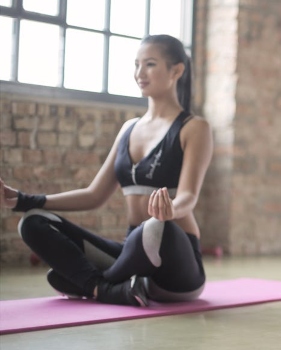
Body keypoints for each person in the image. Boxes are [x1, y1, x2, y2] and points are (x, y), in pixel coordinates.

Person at [0, 34, 212, 307]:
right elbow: (94, 195)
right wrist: (22, 200)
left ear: (176, 70)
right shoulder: (128, 129)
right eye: (136, 64)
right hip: (133, 254)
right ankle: (103, 288)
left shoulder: (194, 128)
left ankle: (89, 281)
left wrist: (170, 209)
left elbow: (188, 196)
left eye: (149, 64)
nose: (139, 73)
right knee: (33, 221)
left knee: (157, 227)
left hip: (176, 266)